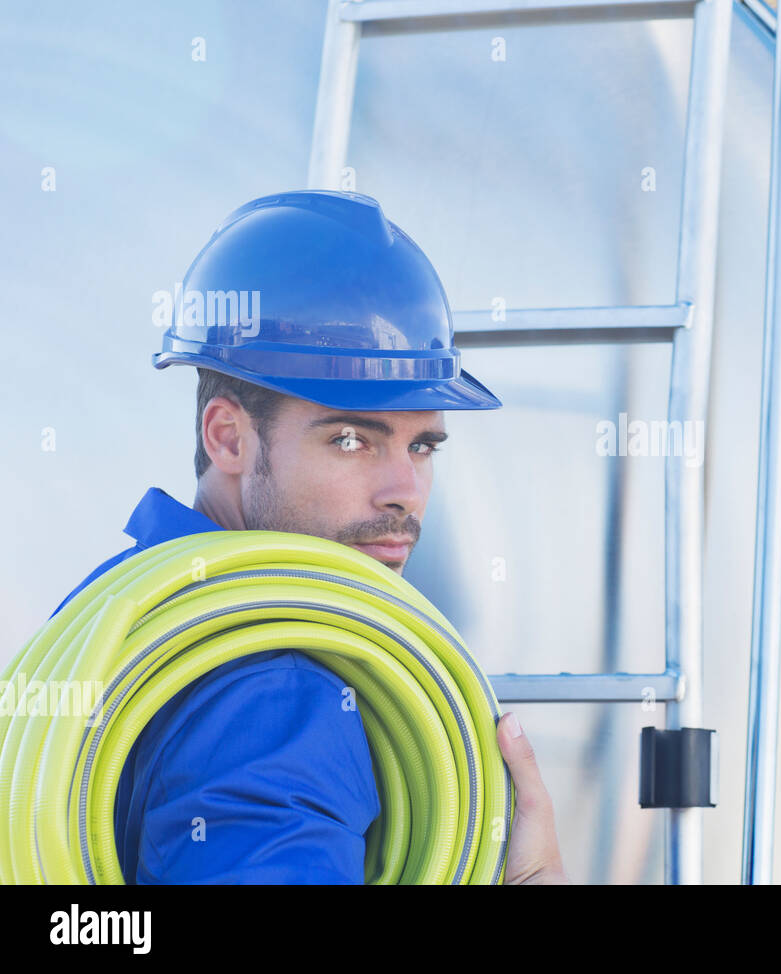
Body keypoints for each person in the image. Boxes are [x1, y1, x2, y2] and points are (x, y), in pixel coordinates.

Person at [51, 190, 568, 885]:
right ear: (228, 436)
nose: (404, 490)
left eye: (423, 448)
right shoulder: (276, 693)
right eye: (353, 438)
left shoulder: (107, 615)